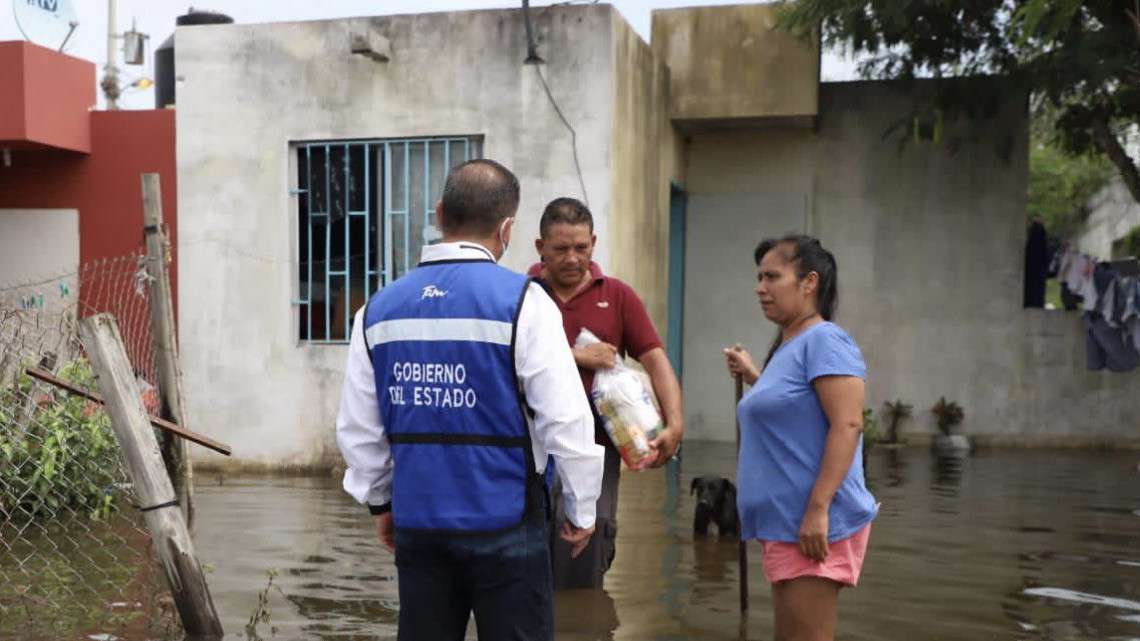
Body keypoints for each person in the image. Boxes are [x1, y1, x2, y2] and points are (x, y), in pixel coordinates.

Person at [336, 160, 605, 641]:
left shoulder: (376, 310)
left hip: (418, 524)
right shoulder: (525, 302)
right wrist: (583, 509)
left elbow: (360, 428)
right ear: (508, 228)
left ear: (440, 214)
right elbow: (565, 418)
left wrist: (380, 503)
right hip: (507, 523)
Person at [723, 234, 877, 641]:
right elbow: (796, 407)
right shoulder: (789, 345)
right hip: (787, 524)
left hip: (811, 525)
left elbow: (847, 424)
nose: (761, 287)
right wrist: (755, 375)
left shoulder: (825, 340)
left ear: (809, 283)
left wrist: (818, 508)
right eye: (759, 276)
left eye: (772, 276)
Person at [529, 197, 683, 589]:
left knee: (583, 562)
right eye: (561, 249)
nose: (572, 258)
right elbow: (498, 359)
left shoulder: (617, 296)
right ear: (540, 247)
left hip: (596, 452)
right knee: (525, 561)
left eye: (581, 248)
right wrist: (578, 356)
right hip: (528, 450)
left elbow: (656, 361)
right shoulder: (521, 296)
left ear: (594, 243)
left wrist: (676, 423)